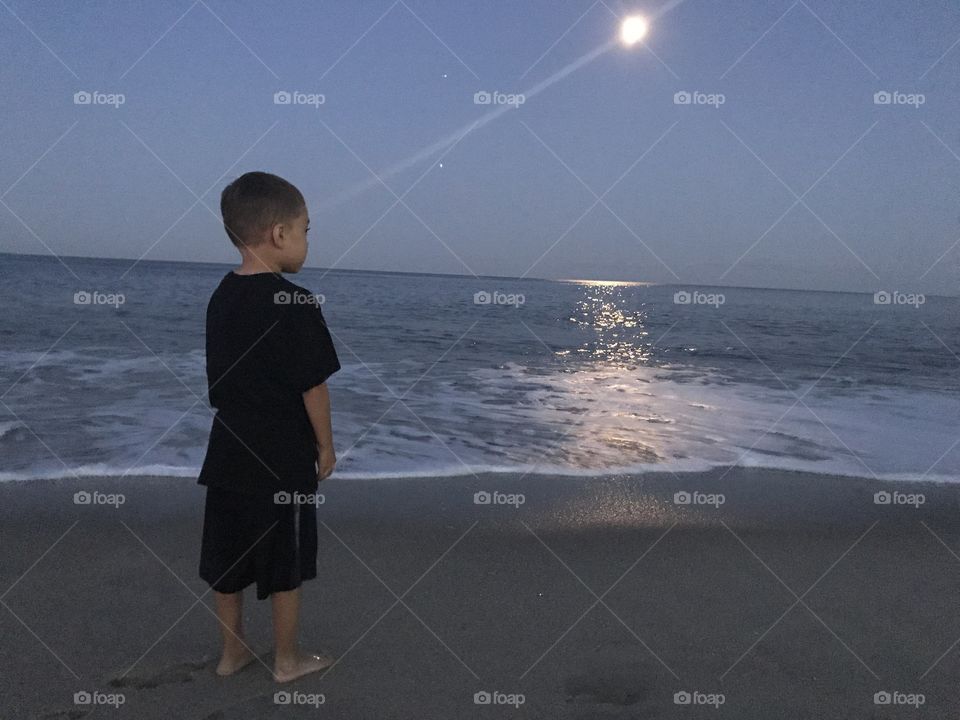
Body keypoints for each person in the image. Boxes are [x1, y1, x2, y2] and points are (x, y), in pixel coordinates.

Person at [196, 171, 340, 683]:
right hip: (281, 452)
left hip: (228, 445)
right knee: (286, 557)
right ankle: (286, 660)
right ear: (279, 233)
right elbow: (313, 387)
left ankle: (231, 654)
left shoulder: (222, 295)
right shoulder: (296, 302)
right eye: (305, 228)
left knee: (227, 554)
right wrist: (325, 447)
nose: (306, 240)